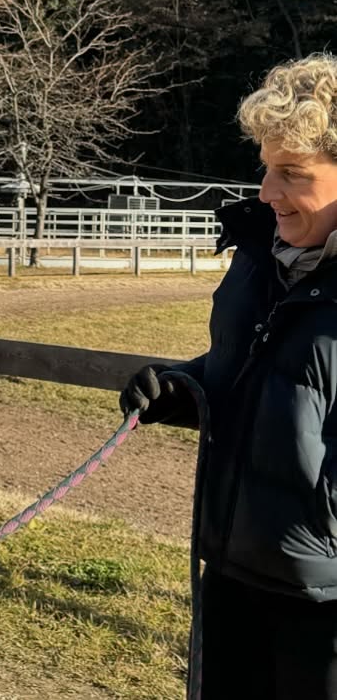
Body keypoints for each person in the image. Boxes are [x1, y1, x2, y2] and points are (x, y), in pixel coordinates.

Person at [122, 53, 337, 698]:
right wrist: (183, 388)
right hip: (232, 567)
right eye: (266, 169)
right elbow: (265, 376)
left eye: (292, 173)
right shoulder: (260, 258)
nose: (267, 192)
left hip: (323, 601)